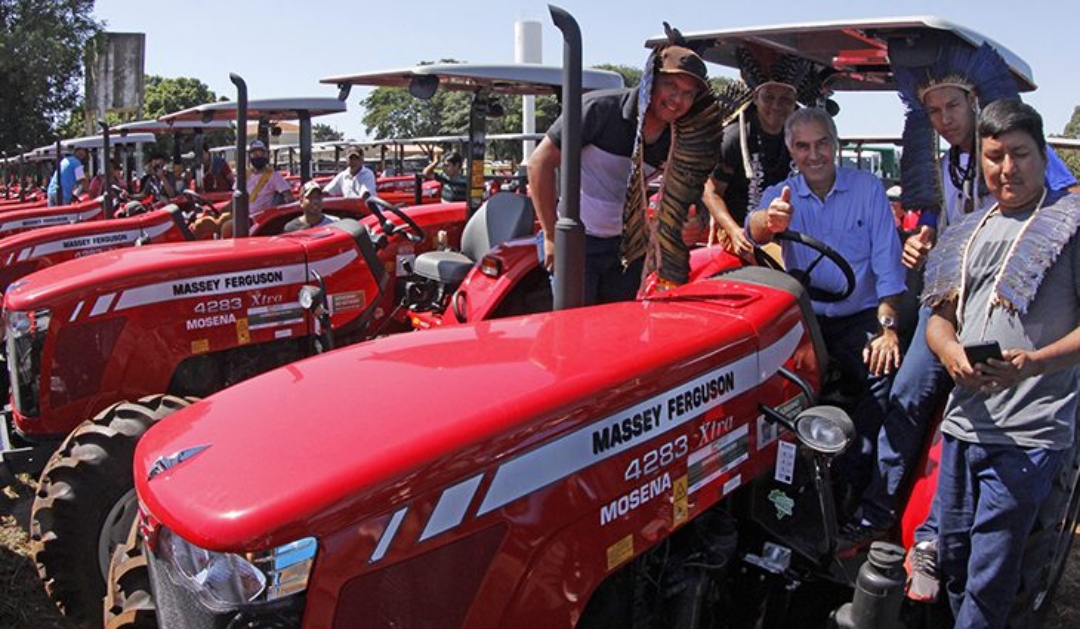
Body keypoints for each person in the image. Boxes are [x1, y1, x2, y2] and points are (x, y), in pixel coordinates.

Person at [852, 44, 1079, 596]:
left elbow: (1059, 207)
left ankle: (937, 539)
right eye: (933, 112)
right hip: (953, 297)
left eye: (952, 107)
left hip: (1012, 306)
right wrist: (921, 242)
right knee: (901, 392)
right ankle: (876, 511)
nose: (945, 120)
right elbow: (936, 226)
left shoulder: (1012, 156)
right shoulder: (949, 162)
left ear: (974, 103)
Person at [921, 99, 1080, 629]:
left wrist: (1032, 363)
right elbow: (939, 320)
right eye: (994, 156)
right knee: (955, 560)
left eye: (1019, 154)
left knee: (992, 576)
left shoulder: (1072, 224)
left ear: (1043, 155)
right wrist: (950, 353)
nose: (1006, 168)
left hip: (1029, 434)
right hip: (965, 423)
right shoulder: (964, 231)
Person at [746, 107, 906, 502]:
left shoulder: (867, 189)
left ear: (835, 146)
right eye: (803, 146)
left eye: (821, 144)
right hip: (807, 319)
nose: (813, 155)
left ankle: (853, 490)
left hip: (861, 317)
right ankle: (776, 486)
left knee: (879, 381)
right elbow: (754, 230)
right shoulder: (780, 197)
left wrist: (888, 329)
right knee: (767, 385)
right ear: (791, 151)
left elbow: (887, 262)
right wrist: (770, 221)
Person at [528, 44, 711, 305]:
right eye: (671, 86)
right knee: (575, 326)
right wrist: (551, 236)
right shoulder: (598, 110)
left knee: (618, 328)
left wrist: (695, 222)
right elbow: (539, 163)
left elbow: (692, 195)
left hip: (626, 247)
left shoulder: (679, 137)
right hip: (578, 243)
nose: (678, 100)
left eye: (688, 94)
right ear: (651, 81)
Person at [702, 47, 813, 259]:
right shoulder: (736, 136)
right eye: (768, 97)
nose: (776, 106)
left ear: (794, 103)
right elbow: (710, 191)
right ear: (755, 97)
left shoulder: (802, 138)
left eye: (785, 99)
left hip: (788, 236)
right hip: (741, 238)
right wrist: (734, 231)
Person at [246, 140, 292, 216]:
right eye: (254, 154)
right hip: (243, 213)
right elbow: (234, 198)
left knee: (227, 226)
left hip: (260, 216)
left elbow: (288, 196)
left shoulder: (274, 176)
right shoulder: (244, 175)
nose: (257, 156)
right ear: (250, 156)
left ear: (266, 155)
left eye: (260, 153)